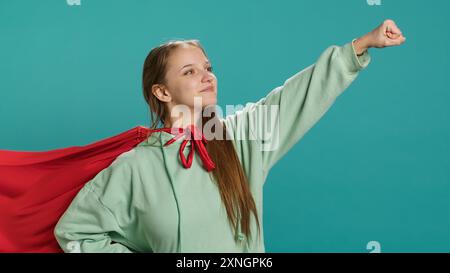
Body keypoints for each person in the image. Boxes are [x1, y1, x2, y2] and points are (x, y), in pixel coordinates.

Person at [53, 19, 405, 253]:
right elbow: (76, 233)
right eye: (190, 71)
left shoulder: (240, 137)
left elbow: (296, 98)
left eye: (208, 67)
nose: (207, 76)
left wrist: (359, 46)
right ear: (161, 92)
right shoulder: (133, 168)